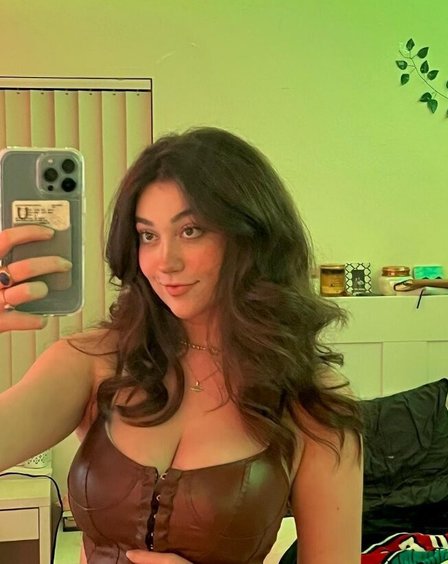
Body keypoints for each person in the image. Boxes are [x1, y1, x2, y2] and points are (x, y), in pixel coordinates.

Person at [0, 127, 363, 564]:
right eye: (148, 235)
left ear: (250, 236)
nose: (164, 262)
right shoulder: (94, 362)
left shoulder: (313, 401)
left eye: (190, 231)